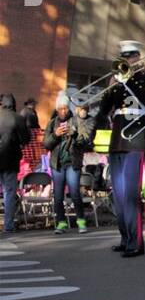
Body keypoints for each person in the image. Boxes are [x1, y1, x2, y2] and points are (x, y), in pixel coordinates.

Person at [94, 42, 145, 257]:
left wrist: (129, 80)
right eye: (124, 57)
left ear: (138, 57)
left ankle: (136, 242)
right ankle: (125, 237)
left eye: (131, 57)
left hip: (135, 140)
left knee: (130, 194)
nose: (127, 61)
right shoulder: (117, 81)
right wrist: (109, 88)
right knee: (118, 195)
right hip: (117, 141)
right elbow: (102, 112)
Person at [42, 93, 94, 231]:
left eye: (65, 108)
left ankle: (81, 222)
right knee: (58, 195)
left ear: (68, 108)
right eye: (60, 108)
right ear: (57, 109)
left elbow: (85, 142)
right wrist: (55, 135)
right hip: (57, 164)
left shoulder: (76, 121)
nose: (63, 111)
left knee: (75, 193)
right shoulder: (52, 123)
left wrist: (75, 134)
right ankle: (61, 223)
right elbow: (46, 144)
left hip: (73, 162)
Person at [0, 94, 28, 234]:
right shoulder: (18, 118)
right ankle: (8, 226)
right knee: (9, 193)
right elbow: (26, 139)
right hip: (10, 160)